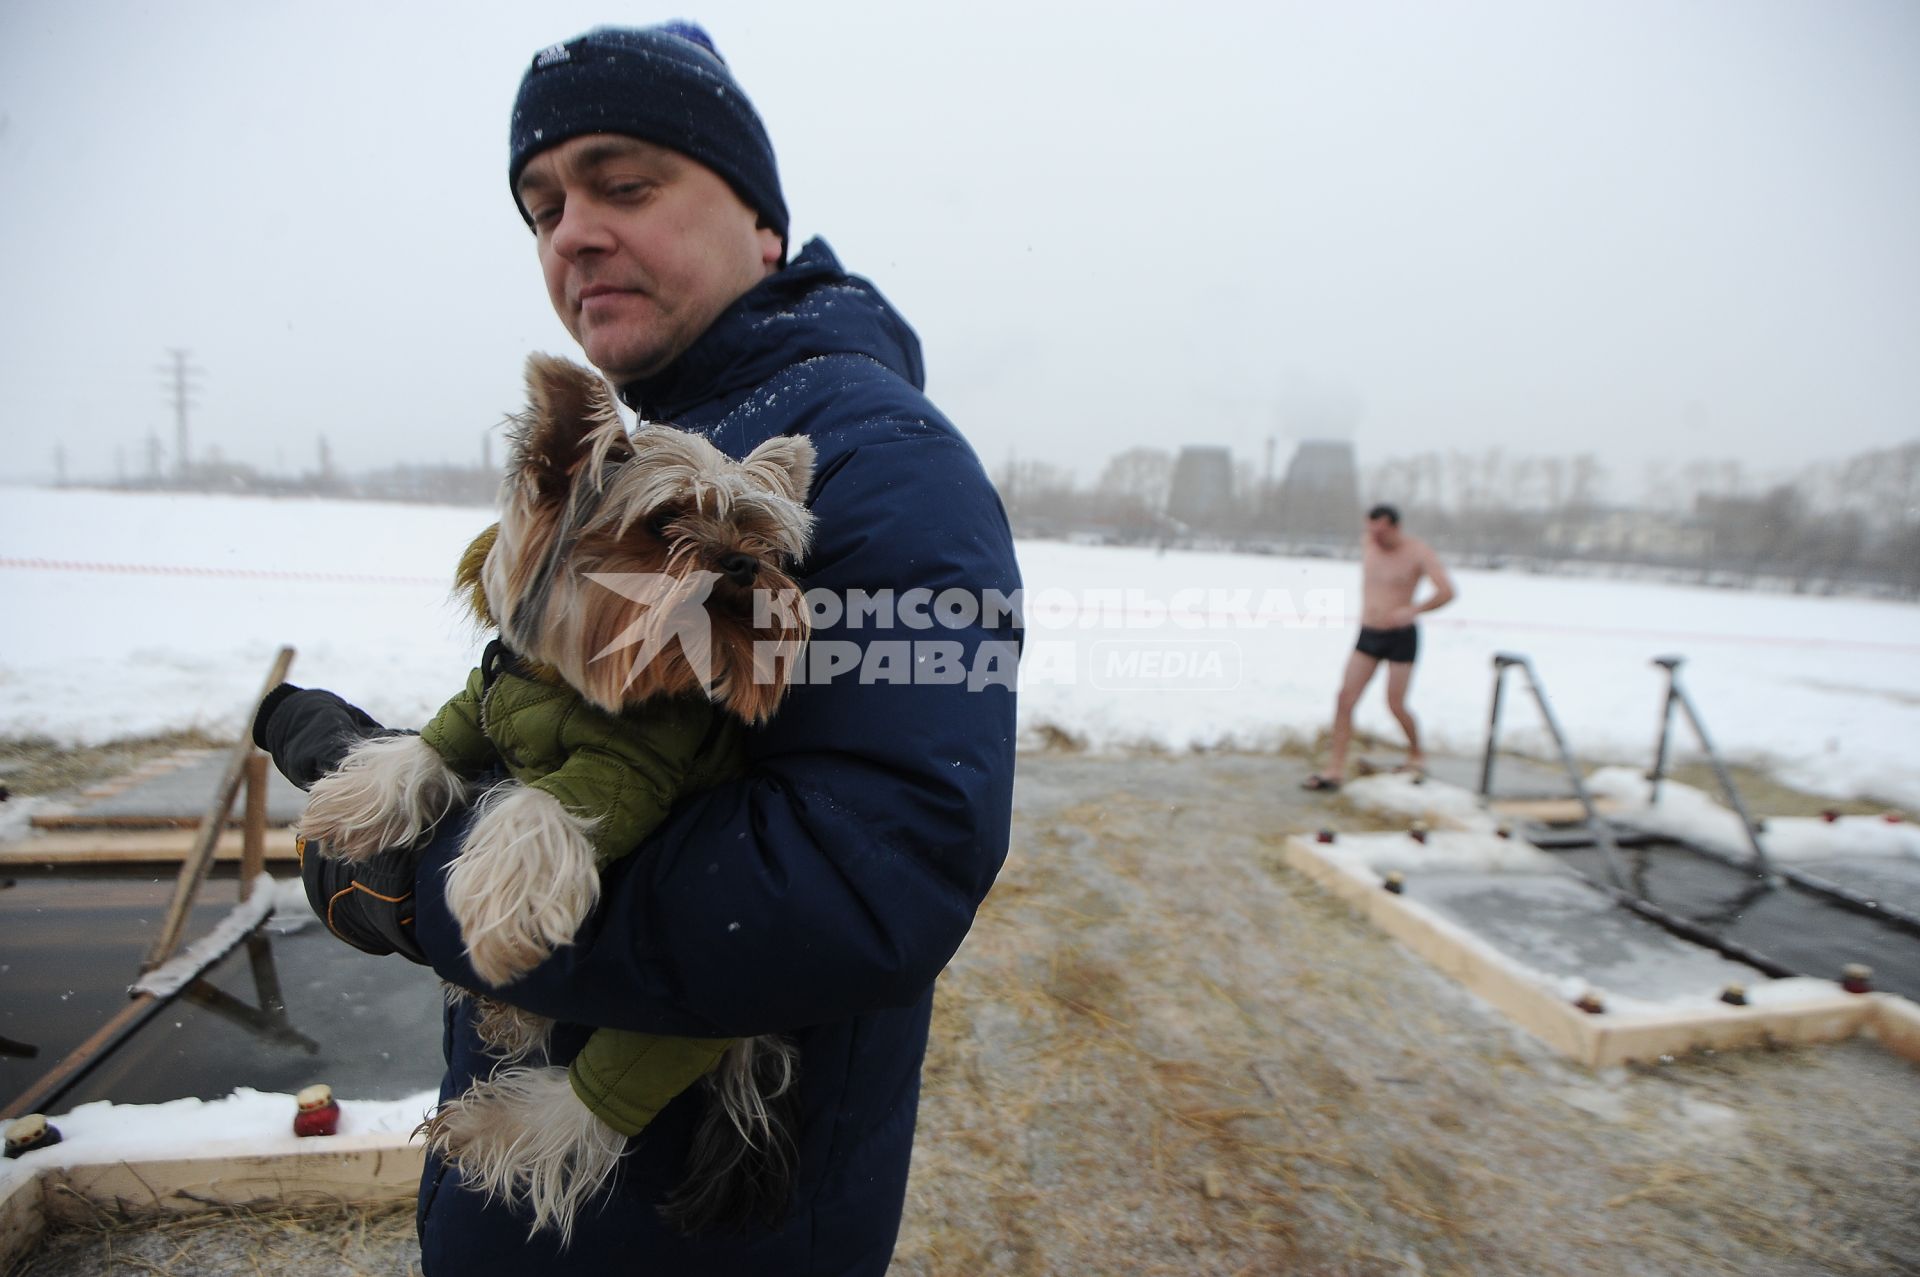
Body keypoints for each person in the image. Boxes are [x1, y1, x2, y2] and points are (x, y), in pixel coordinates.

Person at [253, 22, 1020, 1275]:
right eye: (541, 206)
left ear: (762, 223)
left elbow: (872, 880)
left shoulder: (891, 460)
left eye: (625, 182)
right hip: (529, 1211)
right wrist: (424, 766)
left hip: (704, 1228)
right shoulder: (661, 432)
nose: (571, 234)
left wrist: (427, 891)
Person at [1304, 503, 1454, 789]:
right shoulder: (1368, 544)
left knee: (1395, 703)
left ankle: (1416, 753)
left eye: (1381, 531)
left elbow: (1447, 592)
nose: (1374, 536)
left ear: (1395, 527)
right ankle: (1335, 767)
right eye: (1370, 530)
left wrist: (1414, 609)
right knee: (1344, 699)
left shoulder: (1417, 552)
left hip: (1401, 636)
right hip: (1368, 633)